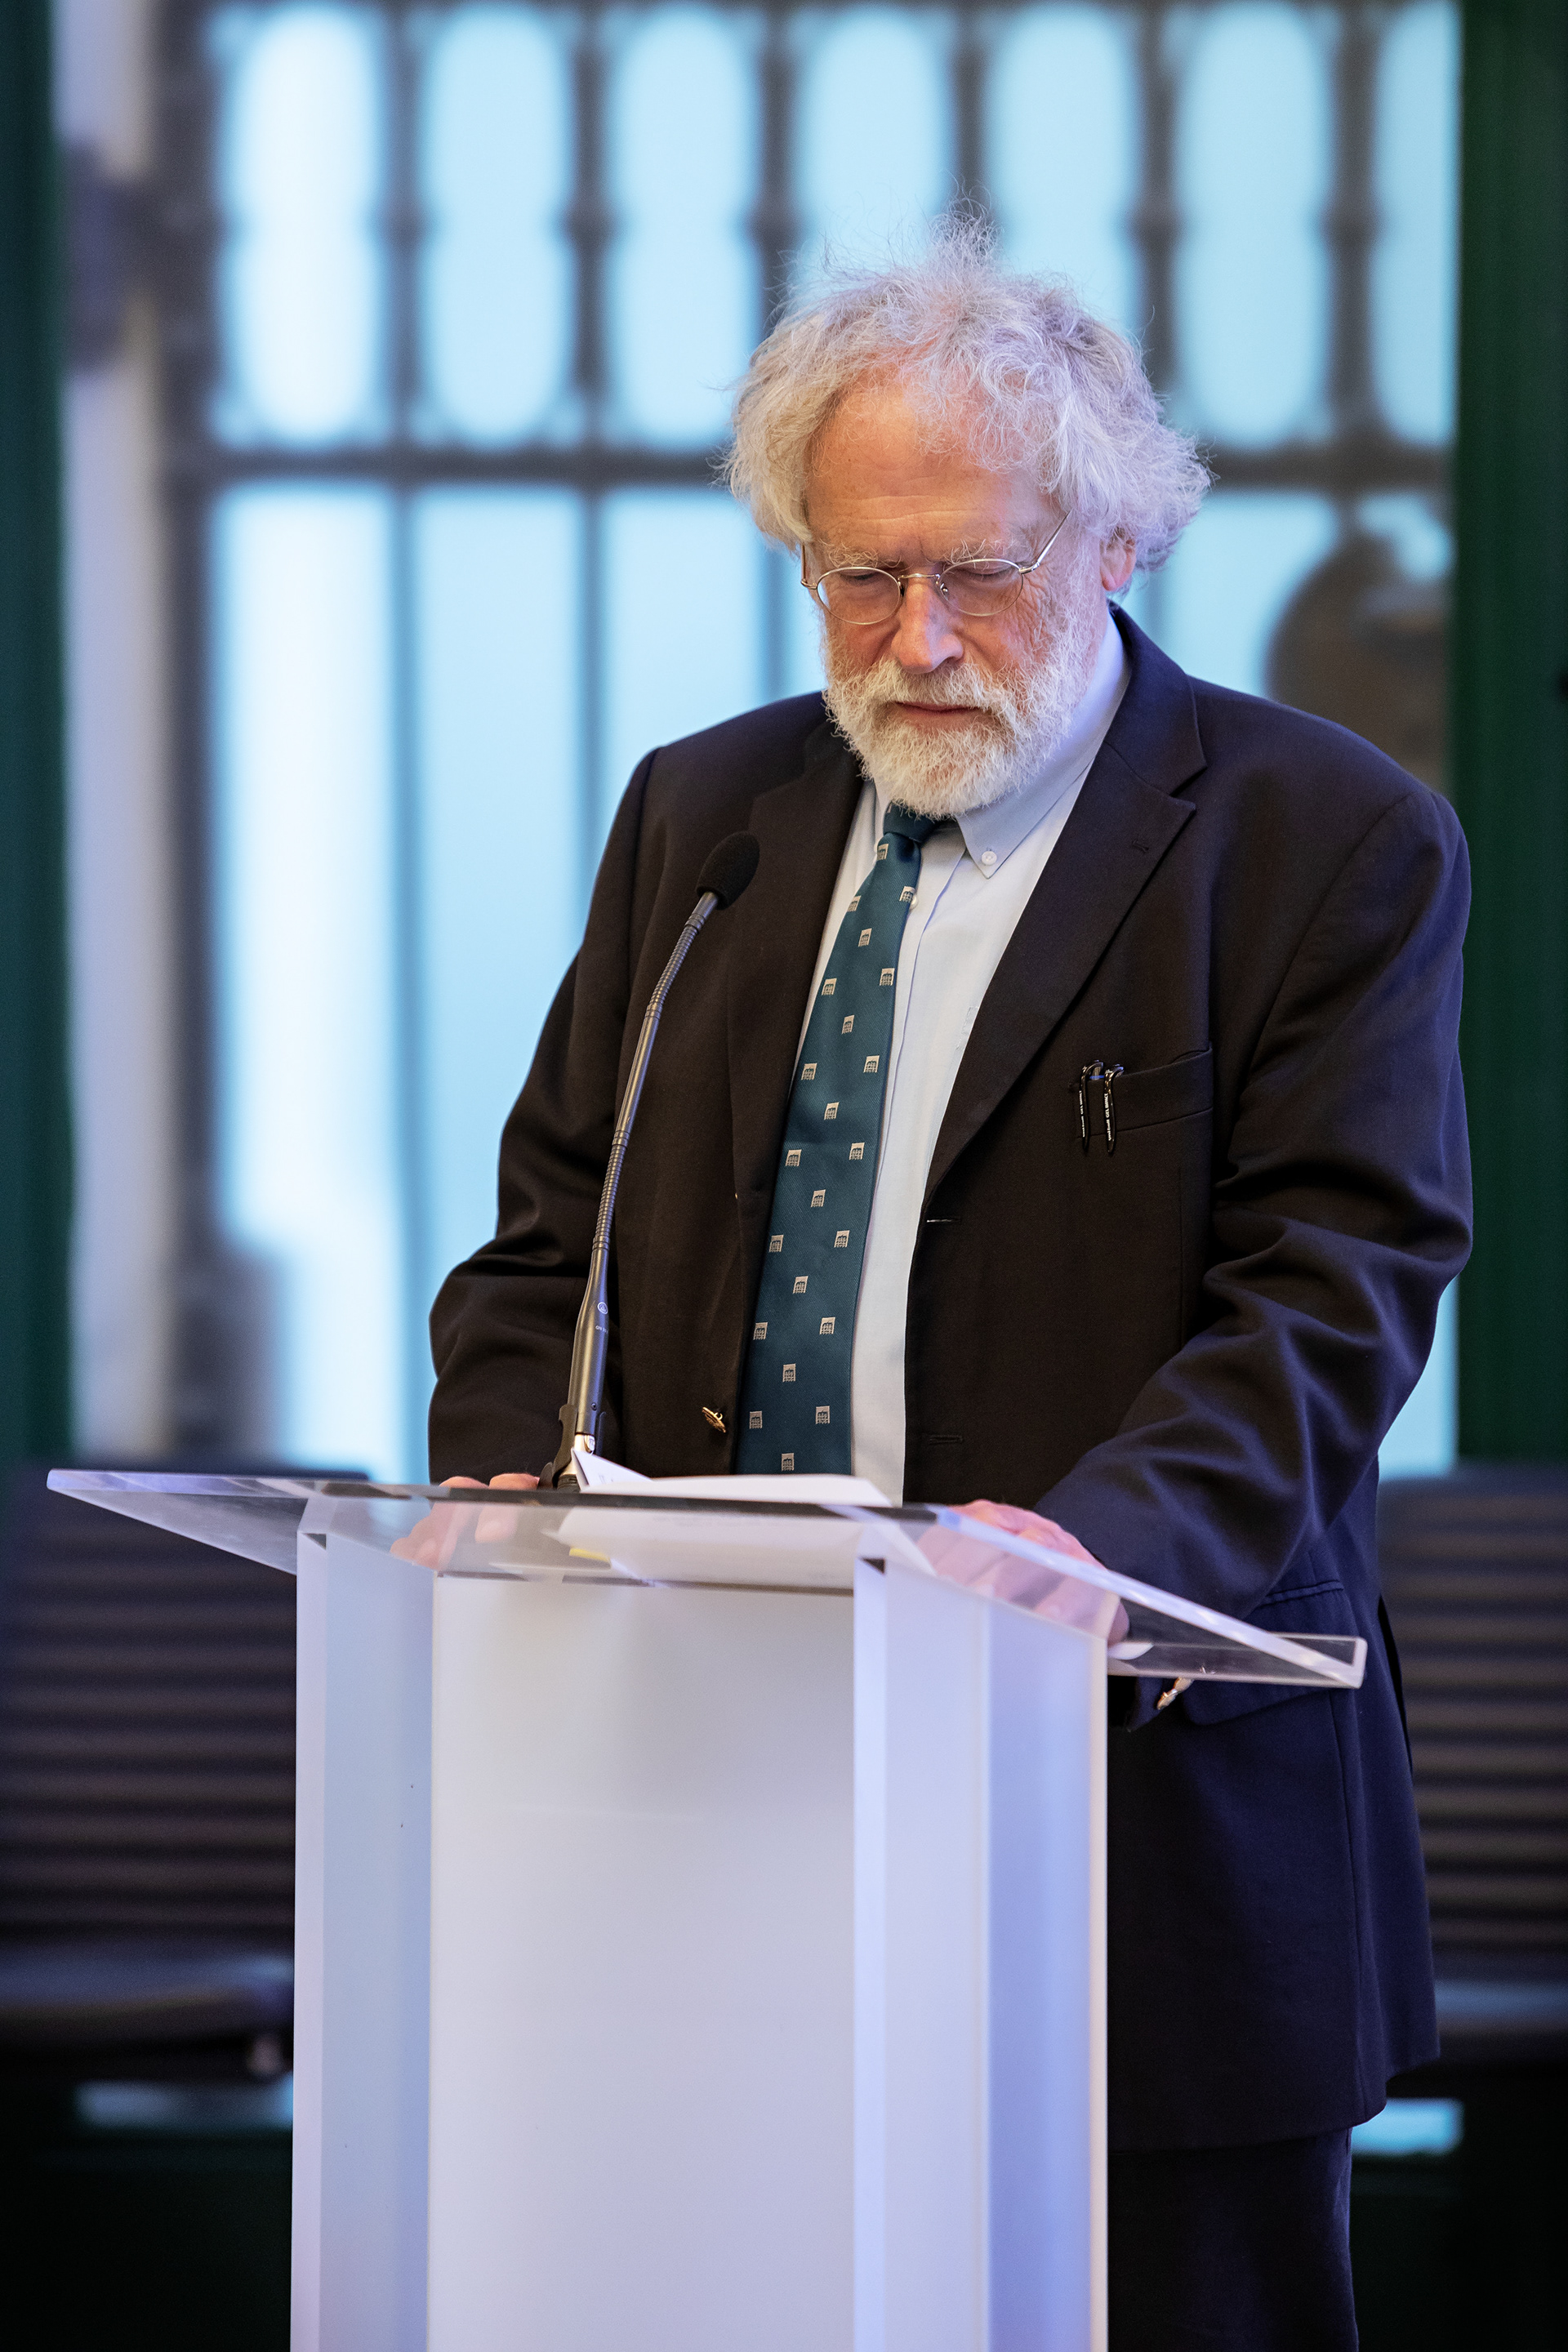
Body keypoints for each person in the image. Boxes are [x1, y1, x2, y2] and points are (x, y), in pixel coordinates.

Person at [428, 228, 1470, 2348]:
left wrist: (1096, 1552)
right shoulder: (705, 815)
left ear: (1112, 538)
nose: (912, 640)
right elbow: (551, 1225)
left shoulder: (1319, 840)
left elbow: (1336, 1286)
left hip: (1138, 1821)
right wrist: (502, 1492)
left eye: (973, 572)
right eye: (855, 574)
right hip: (726, 1801)